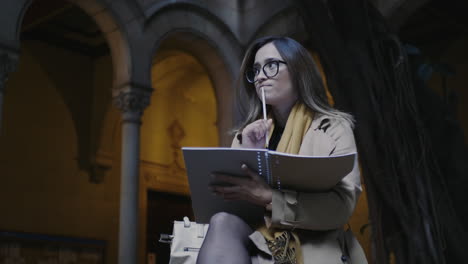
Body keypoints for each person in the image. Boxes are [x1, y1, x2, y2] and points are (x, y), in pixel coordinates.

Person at [196, 36, 367, 264]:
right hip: (255, 243)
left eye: (271, 65)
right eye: (255, 70)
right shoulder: (246, 136)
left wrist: (271, 198)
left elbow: (342, 206)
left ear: (298, 69)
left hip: (314, 247)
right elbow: (234, 210)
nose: (260, 76)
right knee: (221, 222)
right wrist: (249, 155)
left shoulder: (333, 128)